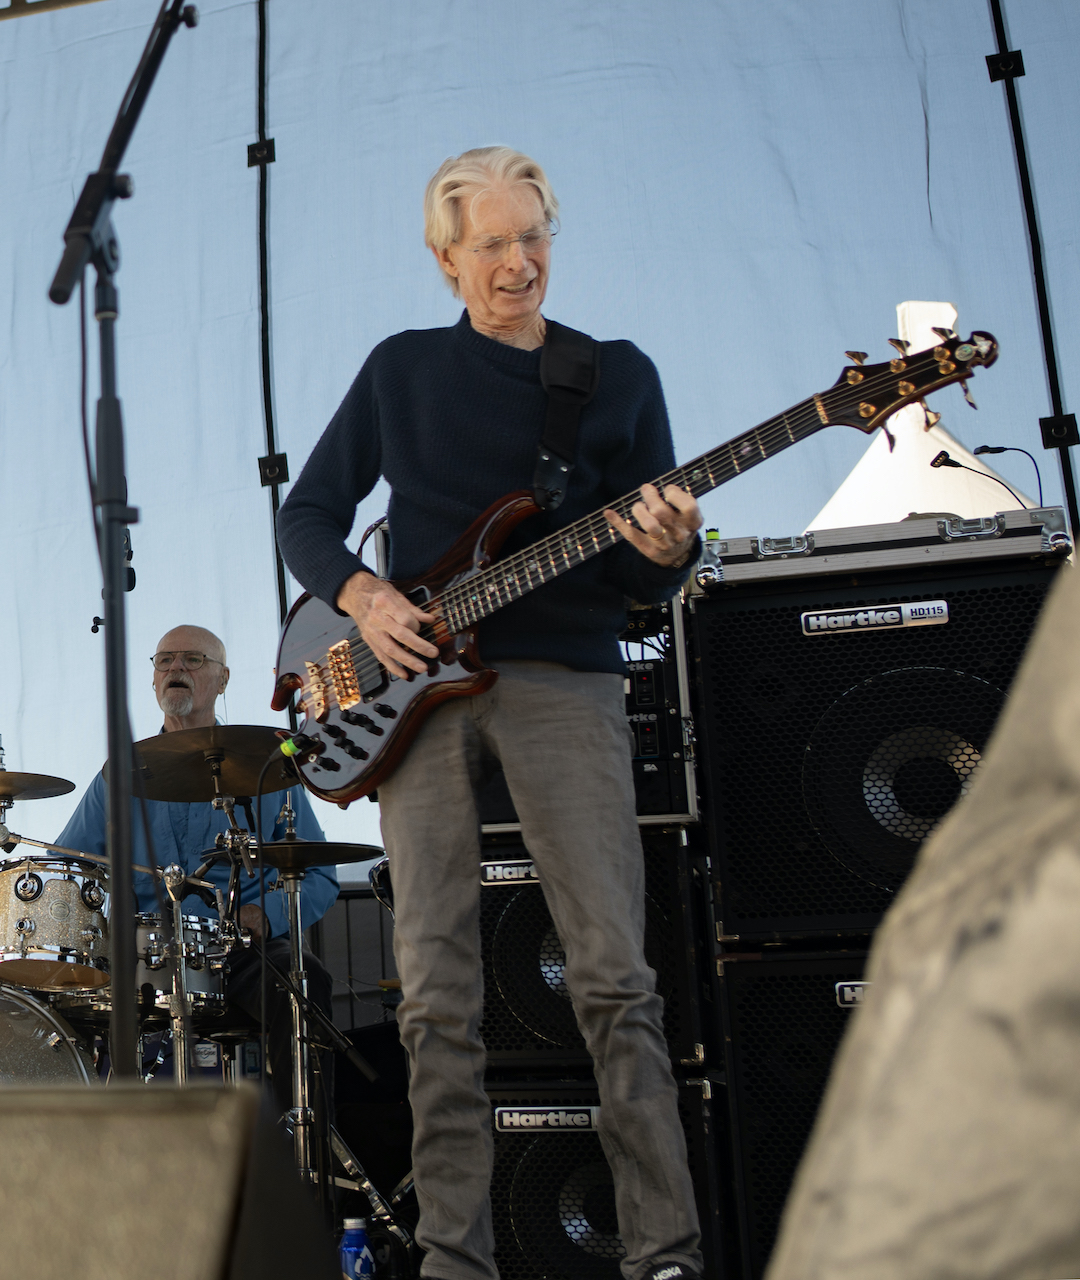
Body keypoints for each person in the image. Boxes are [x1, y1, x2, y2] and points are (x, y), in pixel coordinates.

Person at [276, 148, 705, 1280]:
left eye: (535, 239)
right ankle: (455, 1259)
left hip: (565, 677)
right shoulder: (402, 369)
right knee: (434, 992)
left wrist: (669, 552)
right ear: (446, 258)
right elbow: (310, 513)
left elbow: (647, 577)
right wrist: (365, 600)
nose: (519, 264)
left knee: (615, 974)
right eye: (493, 244)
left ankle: (664, 1250)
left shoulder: (615, 377)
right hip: (414, 698)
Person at [54, 624, 339, 1086]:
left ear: (223, 680)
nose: (176, 668)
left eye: (193, 659)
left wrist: (263, 916)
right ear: (152, 679)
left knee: (302, 985)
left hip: (238, 952)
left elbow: (320, 877)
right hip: (140, 957)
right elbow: (65, 866)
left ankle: (306, 1143)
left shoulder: (267, 767)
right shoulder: (118, 776)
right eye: (164, 660)